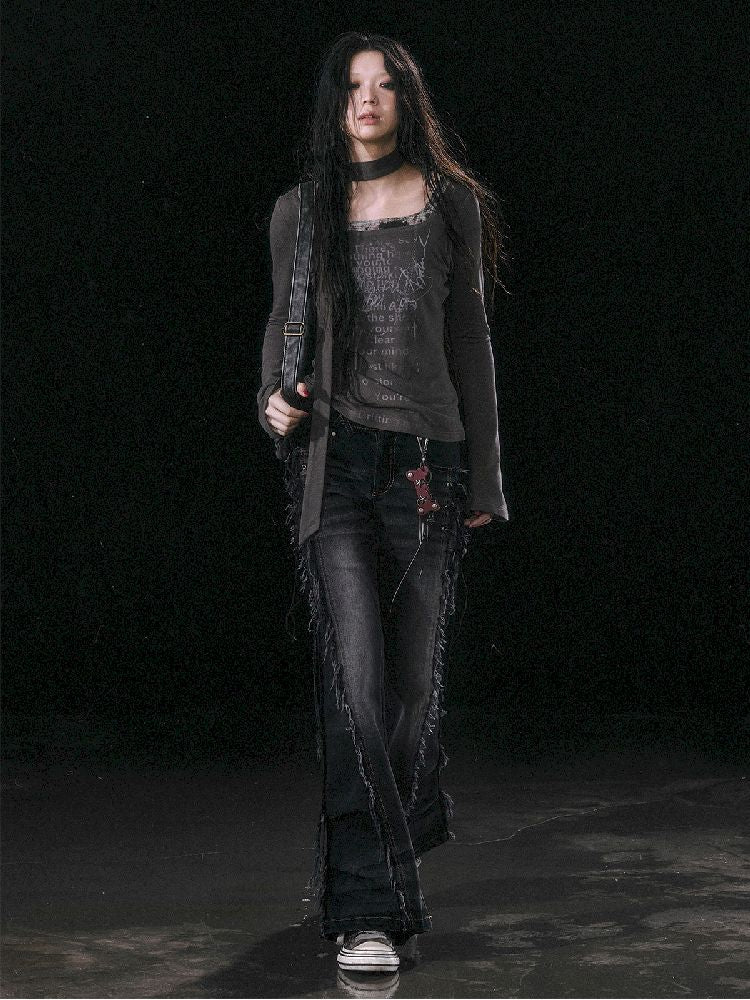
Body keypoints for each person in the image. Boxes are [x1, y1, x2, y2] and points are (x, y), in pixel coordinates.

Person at [257, 31, 510, 974]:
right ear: (336, 107)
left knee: (406, 697)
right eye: (352, 87)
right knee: (357, 690)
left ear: (407, 101)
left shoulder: (452, 203)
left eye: (385, 85)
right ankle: (368, 913)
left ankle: (398, 831)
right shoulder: (300, 212)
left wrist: (487, 476)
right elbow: (281, 327)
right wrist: (270, 398)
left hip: (426, 472)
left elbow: (470, 338)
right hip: (336, 469)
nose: (367, 100)